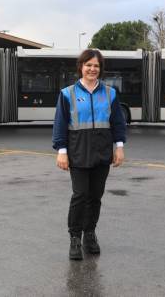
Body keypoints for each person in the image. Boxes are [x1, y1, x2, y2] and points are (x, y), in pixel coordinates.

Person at [52, 49, 126, 260]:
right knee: (80, 195)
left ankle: (89, 234)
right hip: (78, 153)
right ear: (81, 67)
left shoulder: (110, 93)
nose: (92, 69)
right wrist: (61, 151)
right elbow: (60, 124)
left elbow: (118, 123)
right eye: (88, 65)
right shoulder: (68, 93)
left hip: (102, 153)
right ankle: (75, 238)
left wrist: (119, 147)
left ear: (100, 69)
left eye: (96, 65)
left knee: (95, 197)